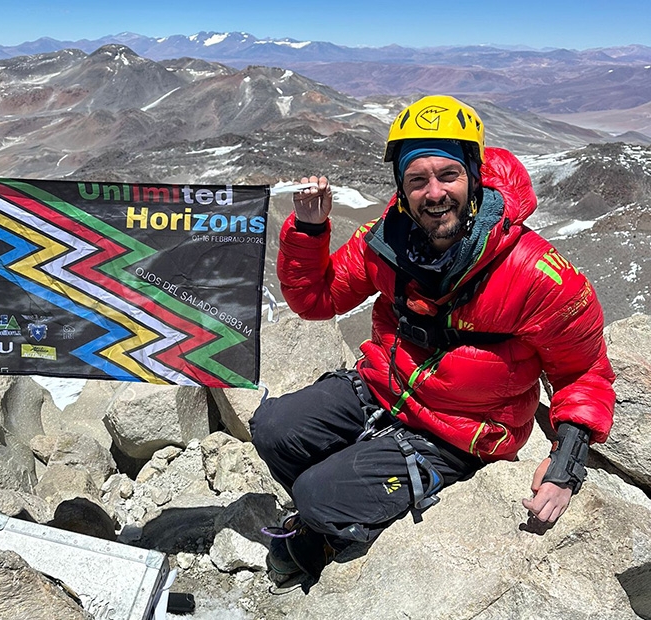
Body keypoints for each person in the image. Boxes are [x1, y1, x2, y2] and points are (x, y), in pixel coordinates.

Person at [250, 95, 616, 586]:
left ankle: (328, 525)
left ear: (474, 174)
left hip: (460, 430)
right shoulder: (390, 239)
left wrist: (565, 464)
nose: (434, 192)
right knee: (274, 426)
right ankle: (339, 500)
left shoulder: (536, 272)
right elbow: (317, 299)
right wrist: (310, 231)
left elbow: (584, 371)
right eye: (417, 180)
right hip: (385, 387)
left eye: (448, 175)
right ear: (402, 188)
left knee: (317, 494)